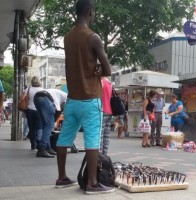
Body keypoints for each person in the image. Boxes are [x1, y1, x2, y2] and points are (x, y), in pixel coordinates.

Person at [55, 0, 114, 194]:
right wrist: (98, 70)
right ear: (90, 12)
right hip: (90, 99)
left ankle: (62, 177)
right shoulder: (93, 37)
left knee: (64, 138)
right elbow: (107, 69)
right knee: (92, 141)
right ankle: (92, 183)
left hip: (72, 99)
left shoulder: (68, 37)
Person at [34, 89, 67, 158]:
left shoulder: (62, 95)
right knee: (49, 124)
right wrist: (53, 122)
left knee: (45, 124)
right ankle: (42, 148)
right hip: (45, 98)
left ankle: (47, 147)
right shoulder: (67, 99)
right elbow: (59, 110)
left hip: (37, 97)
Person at [20, 77, 43, 150]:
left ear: (32, 82)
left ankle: (33, 145)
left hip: (29, 111)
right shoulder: (42, 90)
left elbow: (21, 99)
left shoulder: (28, 89)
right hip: (39, 111)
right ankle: (39, 143)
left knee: (32, 128)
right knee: (39, 127)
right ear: (39, 82)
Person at [100, 77, 113, 155]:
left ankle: (99, 154)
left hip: (102, 110)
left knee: (100, 135)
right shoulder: (109, 83)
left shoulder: (101, 82)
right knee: (106, 135)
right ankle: (105, 154)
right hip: (109, 110)